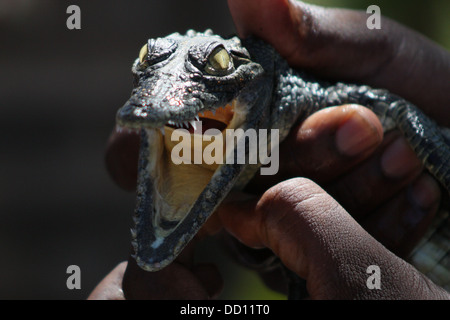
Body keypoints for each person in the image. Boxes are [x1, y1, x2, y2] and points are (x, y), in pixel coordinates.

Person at [89, 0, 450, 299]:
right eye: (150, 61)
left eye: (215, 63)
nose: (163, 92)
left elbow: (401, 110)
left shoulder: (303, 89)